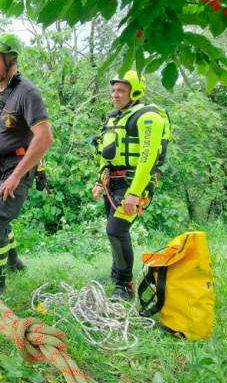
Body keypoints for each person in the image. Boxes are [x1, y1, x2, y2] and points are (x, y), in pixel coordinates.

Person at [0, 32, 53, 293]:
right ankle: (14, 262)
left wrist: (17, 176)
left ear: (11, 61)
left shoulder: (27, 93)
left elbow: (44, 138)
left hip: (17, 166)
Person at [91, 70, 170, 301]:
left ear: (134, 91)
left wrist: (135, 193)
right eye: (113, 90)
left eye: (121, 90)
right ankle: (117, 275)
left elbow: (148, 158)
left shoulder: (148, 117)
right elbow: (106, 153)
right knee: (113, 232)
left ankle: (125, 285)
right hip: (112, 183)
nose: (115, 94)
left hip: (135, 184)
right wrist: (99, 180)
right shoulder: (113, 118)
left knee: (116, 230)